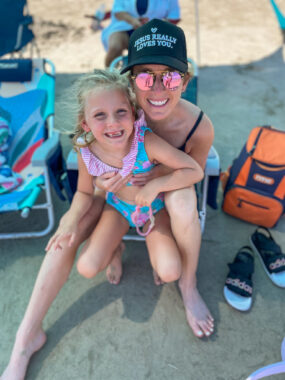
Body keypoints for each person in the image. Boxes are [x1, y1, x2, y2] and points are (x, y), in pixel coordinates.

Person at [0, 68, 204, 380]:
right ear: (85, 123)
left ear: (134, 114)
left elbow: (193, 170)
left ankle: (147, 253)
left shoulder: (145, 141)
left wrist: (153, 187)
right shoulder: (86, 148)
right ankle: (116, 249)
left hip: (152, 211)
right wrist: (68, 220)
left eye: (121, 112)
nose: (112, 123)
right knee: (86, 266)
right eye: (100, 116)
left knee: (170, 271)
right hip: (117, 209)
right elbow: (84, 192)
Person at [97, 18, 216, 338]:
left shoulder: (199, 127)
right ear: (131, 82)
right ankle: (118, 248)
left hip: (167, 190)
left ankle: (188, 285)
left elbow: (195, 170)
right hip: (126, 194)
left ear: (186, 81)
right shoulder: (120, 114)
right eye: (146, 78)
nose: (159, 89)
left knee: (181, 199)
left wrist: (157, 179)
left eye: (171, 77)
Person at [102, 0, 180, 67]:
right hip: (124, 27)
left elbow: (174, 18)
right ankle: (109, 75)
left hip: (155, 32)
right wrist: (133, 21)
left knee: (153, 58)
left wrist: (155, 26)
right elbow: (117, 11)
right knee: (115, 46)